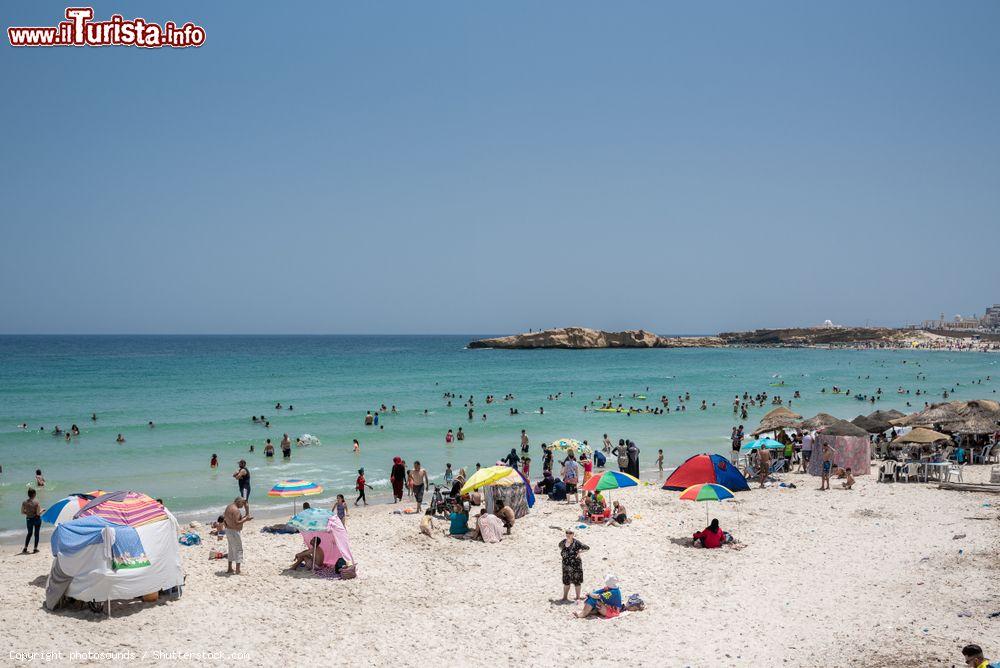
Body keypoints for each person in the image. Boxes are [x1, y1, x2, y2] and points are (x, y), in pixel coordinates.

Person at [223, 498, 253, 575]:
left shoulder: (229, 507)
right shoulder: (236, 510)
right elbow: (237, 522)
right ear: (239, 502)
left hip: (228, 530)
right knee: (238, 549)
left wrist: (246, 510)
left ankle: (230, 568)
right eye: (242, 504)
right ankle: (238, 570)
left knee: (231, 549)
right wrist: (246, 519)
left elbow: (225, 518)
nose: (242, 506)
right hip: (234, 531)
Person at [559, 528, 589, 601]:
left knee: (577, 581)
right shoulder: (562, 542)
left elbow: (587, 548)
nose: (568, 534)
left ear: (573, 534)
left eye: (570, 533)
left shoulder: (577, 543)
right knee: (566, 581)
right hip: (566, 565)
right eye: (567, 533)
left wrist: (580, 552)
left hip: (576, 565)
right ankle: (565, 597)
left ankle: (578, 597)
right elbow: (560, 548)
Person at [21, 489, 42, 554]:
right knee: (36, 534)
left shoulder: (24, 502)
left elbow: (22, 512)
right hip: (36, 519)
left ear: (28, 494)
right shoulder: (37, 503)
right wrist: (42, 510)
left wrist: (28, 513)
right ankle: (35, 549)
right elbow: (38, 513)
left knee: (29, 533)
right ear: (34, 494)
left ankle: (25, 548)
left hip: (29, 519)